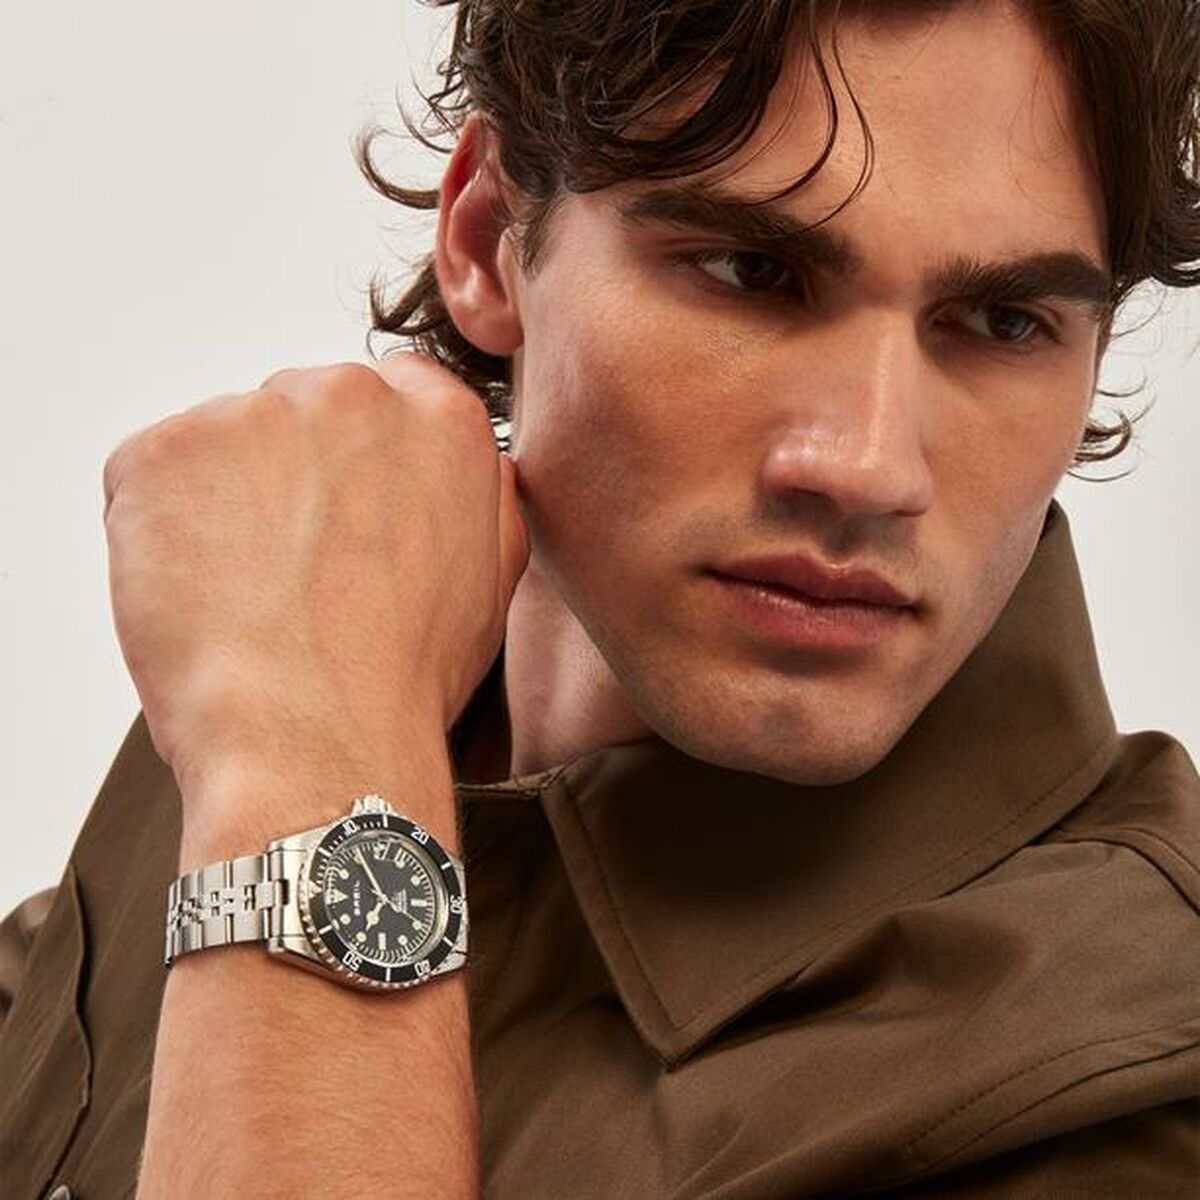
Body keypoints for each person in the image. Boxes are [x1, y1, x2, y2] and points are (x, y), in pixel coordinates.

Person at [1, 0, 1198, 1195]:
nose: (869, 466)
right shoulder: (287, 666)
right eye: (752, 271)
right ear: (487, 241)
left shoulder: (1134, 1075)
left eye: (1004, 322)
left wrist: (318, 793)